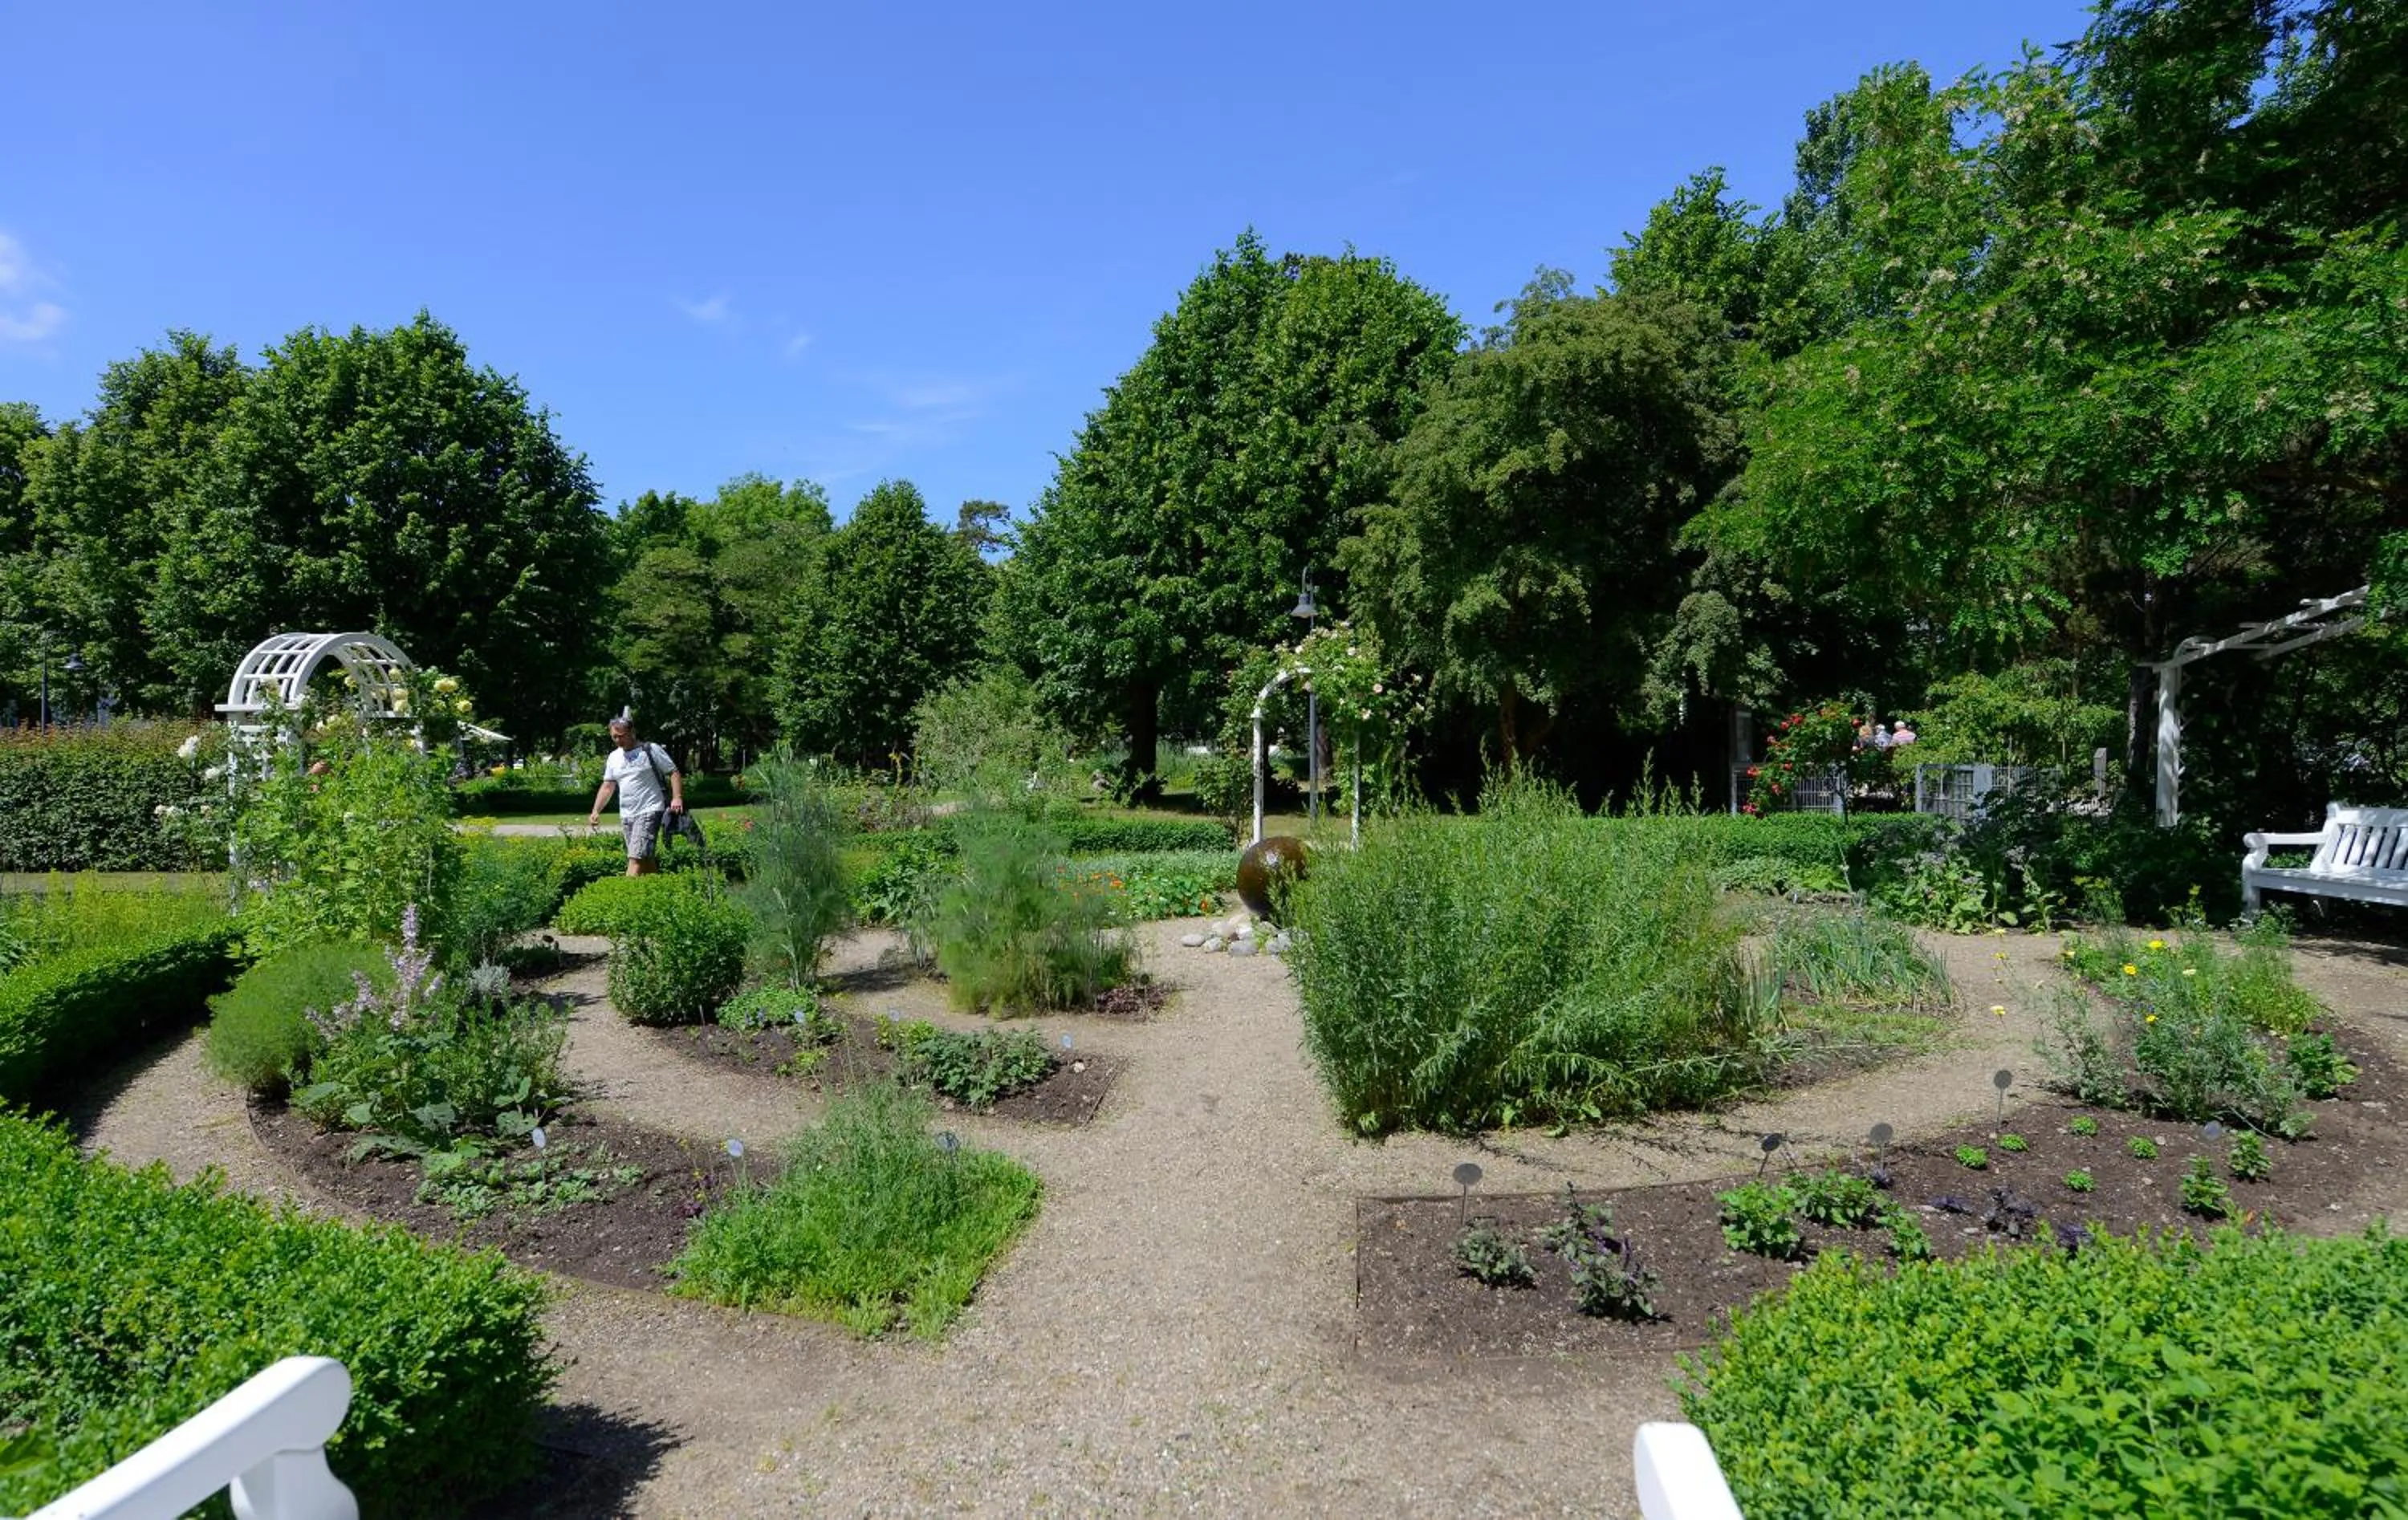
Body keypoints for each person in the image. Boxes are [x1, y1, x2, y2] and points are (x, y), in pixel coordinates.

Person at [587, 716, 685, 876]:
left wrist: (677, 797)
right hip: (627, 813)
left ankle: (625, 897)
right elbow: (607, 786)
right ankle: (656, 888)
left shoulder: (650, 749)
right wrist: (596, 810)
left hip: (650, 809)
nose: (618, 740)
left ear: (632, 732)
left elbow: (673, 772)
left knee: (635, 858)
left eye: (622, 736)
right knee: (645, 857)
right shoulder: (614, 757)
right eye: (614, 737)